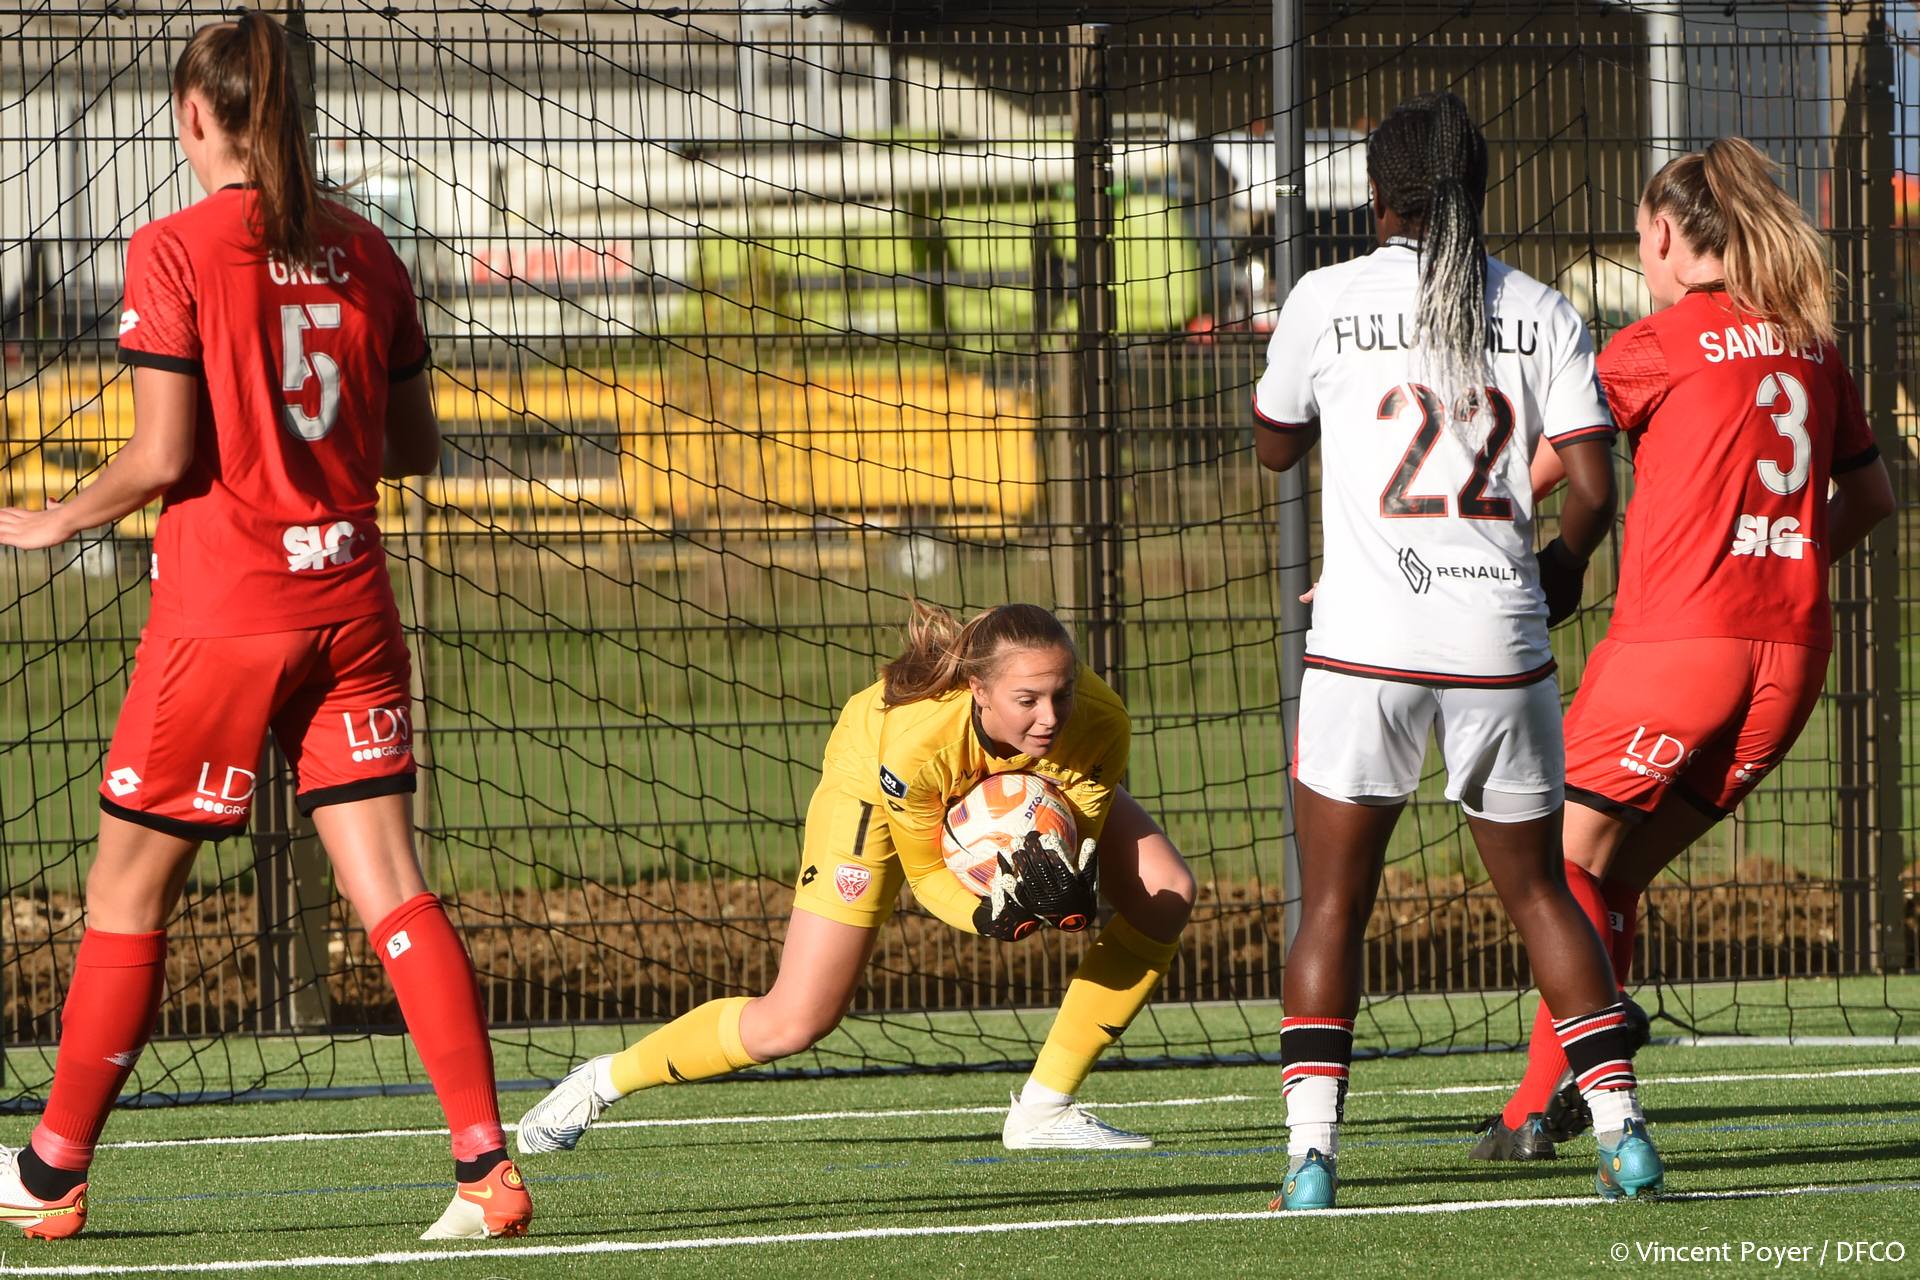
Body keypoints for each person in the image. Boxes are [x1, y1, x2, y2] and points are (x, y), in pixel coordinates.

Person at [0, 13, 530, 1241]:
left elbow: (163, 453)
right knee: (393, 889)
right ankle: (484, 1162)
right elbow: (413, 448)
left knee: (126, 893)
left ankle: (51, 1171)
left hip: (225, 615)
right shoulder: (369, 249)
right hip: (351, 604)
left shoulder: (173, 248)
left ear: (196, 115)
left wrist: (56, 517)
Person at [1251, 91, 1662, 1209]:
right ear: (1479, 188)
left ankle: (1310, 1161)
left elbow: (1275, 445)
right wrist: (1560, 570)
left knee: (1332, 905)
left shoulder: (1326, 295)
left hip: (1364, 644)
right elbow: (1592, 488)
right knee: (1541, 894)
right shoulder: (1541, 305)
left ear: (1375, 195)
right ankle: (1624, 1136)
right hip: (1500, 639)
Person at [1482, 137, 1896, 1155]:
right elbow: (1873, 498)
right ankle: (1535, 1109)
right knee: (1611, 870)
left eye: (1640, 238)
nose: (1642, 255)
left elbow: (1522, 479)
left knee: (1548, 858)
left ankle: (1602, 1031)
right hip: (1790, 657)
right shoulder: (1810, 344)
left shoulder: (1652, 346)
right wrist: (1781, 556)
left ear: (1666, 235)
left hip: (1676, 650)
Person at [515, 602, 1196, 1153]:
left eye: (1062, 694)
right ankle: (600, 1082)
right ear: (978, 690)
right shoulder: (915, 743)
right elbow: (927, 874)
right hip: (873, 788)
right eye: (1027, 699)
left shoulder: (1100, 723)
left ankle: (1044, 1111)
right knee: (796, 1021)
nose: (1049, 717)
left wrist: (1063, 888)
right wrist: (991, 914)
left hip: (1008, 780)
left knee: (1167, 894)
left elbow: (1068, 829)